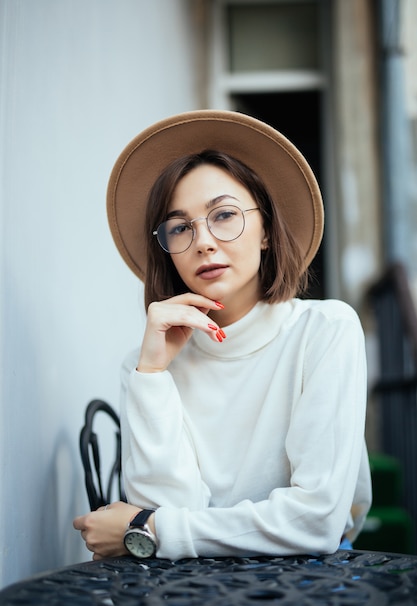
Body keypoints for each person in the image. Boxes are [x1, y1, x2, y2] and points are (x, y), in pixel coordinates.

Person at [73, 110, 372, 561]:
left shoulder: (325, 331)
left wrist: (151, 530)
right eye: (179, 228)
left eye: (224, 215)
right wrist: (152, 375)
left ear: (267, 230)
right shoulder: (146, 364)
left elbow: (315, 523)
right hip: (191, 596)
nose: (204, 242)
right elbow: (166, 513)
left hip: (311, 587)